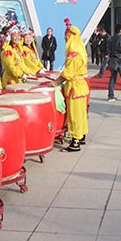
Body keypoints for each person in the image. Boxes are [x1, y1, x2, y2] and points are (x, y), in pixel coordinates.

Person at [48, 19, 89, 152]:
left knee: (74, 115)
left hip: (74, 87)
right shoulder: (81, 50)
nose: (65, 39)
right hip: (81, 85)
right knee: (81, 113)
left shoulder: (73, 53)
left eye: (66, 36)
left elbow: (68, 73)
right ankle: (81, 136)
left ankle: (75, 142)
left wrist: (55, 82)